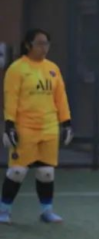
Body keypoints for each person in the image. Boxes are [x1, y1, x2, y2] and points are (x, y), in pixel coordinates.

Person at [1, 28, 73, 224]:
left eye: (46, 43)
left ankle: (46, 212)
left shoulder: (53, 68)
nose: (44, 48)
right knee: (17, 172)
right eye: (40, 43)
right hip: (25, 128)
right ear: (28, 45)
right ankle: (4, 211)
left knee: (46, 173)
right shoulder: (17, 69)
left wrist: (66, 122)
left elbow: (61, 98)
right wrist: (9, 125)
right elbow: (11, 98)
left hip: (49, 128)